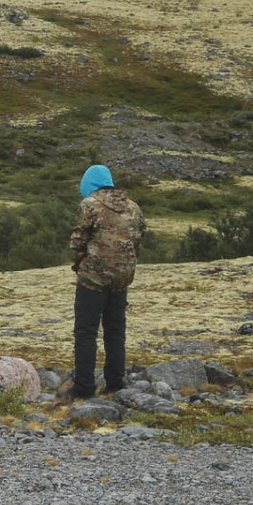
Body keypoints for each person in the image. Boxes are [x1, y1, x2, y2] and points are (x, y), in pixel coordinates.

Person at [64, 164, 145, 402]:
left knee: (86, 332)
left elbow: (77, 240)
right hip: (122, 278)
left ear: (88, 184)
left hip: (93, 279)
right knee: (115, 331)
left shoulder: (89, 205)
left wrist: (80, 263)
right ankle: (115, 384)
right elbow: (139, 239)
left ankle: (84, 387)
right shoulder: (133, 207)